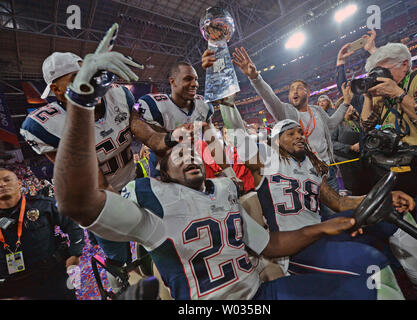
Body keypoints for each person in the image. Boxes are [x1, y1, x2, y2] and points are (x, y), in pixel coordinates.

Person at [53, 24, 384, 300]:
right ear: (163, 171)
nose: (190, 152)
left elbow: (270, 244)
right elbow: (78, 202)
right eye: (179, 154)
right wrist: (82, 102)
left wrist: (325, 226)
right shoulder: (150, 200)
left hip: (258, 294)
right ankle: (121, 274)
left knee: (361, 286)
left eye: (193, 150)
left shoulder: (224, 189)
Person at [218, 100, 417, 300]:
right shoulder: (264, 162)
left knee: (394, 211)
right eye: (290, 134)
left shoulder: (309, 167)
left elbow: (338, 202)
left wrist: (380, 197)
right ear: (276, 141)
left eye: (300, 132)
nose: (299, 136)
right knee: (371, 264)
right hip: (294, 245)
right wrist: (227, 104)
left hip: (321, 231)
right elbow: (238, 135)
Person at [18, 50, 182, 292]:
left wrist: (173, 139)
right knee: (120, 262)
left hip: (132, 180)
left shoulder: (117, 94)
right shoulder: (47, 125)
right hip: (99, 200)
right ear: (57, 90)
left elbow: (147, 135)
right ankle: (120, 290)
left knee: (160, 241)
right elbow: (96, 182)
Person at [203, 47, 349, 218]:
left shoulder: (317, 111)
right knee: (318, 218)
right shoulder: (286, 112)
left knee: (338, 215)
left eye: (298, 88)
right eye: (291, 89)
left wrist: (345, 103)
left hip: (328, 170)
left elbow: (332, 123)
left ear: (307, 92)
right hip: (307, 174)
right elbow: (269, 97)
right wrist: (255, 77)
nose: (294, 91)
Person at [359, 42, 417, 242]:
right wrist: (368, 96)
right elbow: (366, 126)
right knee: (403, 231)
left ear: (404, 65)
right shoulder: (385, 92)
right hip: (394, 171)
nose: (380, 77)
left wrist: (399, 94)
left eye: (383, 71)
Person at [0, 168, 84, 299]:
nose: (2, 184)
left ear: (19, 183)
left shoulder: (42, 205)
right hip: (15, 286)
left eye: (7, 180)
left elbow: (72, 223)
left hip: (53, 276)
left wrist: (75, 253)